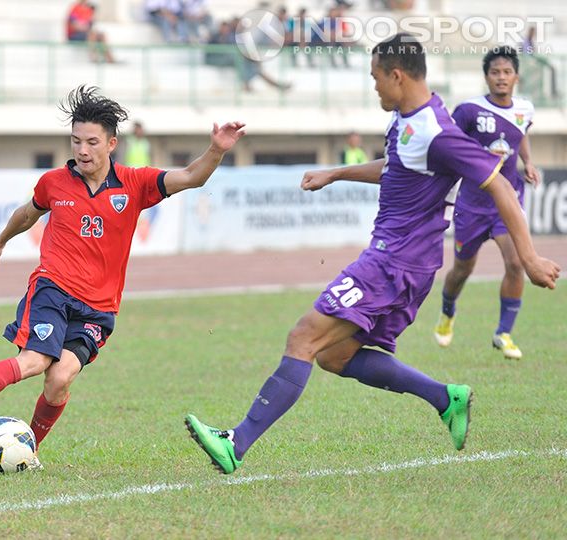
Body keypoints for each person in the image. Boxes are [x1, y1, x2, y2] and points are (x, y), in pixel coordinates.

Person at [184, 33, 560, 475]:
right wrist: (337, 173)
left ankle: (236, 442)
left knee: (303, 337)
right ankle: (445, 398)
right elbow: (397, 166)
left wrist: (530, 257)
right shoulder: (410, 120)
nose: (375, 87)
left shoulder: (436, 131)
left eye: (376, 78)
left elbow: (498, 182)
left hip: (394, 263)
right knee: (334, 356)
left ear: (397, 76)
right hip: (399, 261)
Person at [0, 86, 245, 464]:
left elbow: (192, 176)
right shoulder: (54, 183)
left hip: (98, 309)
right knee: (36, 361)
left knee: (60, 380)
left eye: (92, 142)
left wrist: (217, 150)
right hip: (53, 289)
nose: (82, 150)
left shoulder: (135, 183)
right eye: (76, 141)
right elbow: (28, 213)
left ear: (111, 144)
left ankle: (29, 452)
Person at [434, 47, 539, 360]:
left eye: (507, 72)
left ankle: (503, 333)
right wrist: (478, 157)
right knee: (463, 268)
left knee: (517, 262)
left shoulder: (525, 109)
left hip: (506, 201)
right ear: (487, 77)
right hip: (472, 204)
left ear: (516, 77)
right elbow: (449, 144)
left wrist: (528, 162)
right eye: (495, 72)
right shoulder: (469, 110)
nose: (501, 77)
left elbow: (520, 135)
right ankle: (447, 313)